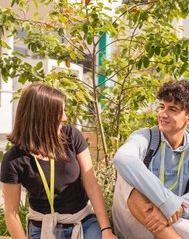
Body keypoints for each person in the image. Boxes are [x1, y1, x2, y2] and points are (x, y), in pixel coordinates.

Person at [0, 83, 117, 239]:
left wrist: (106, 230)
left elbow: (92, 185)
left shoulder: (72, 137)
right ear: (42, 117)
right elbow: (11, 214)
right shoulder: (13, 160)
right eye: (59, 112)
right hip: (42, 226)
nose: (65, 117)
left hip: (82, 221)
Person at [112, 80, 189, 239]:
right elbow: (122, 158)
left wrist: (174, 207)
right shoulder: (145, 137)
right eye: (162, 107)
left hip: (173, 220)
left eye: (172, 109)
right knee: (127, 177)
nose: (163, 114)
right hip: (137, 223)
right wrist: (165, 202)